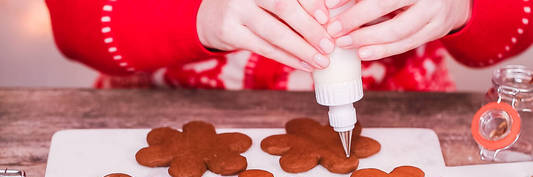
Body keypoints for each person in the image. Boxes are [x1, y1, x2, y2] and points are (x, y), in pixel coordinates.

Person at [45, 0, 532, 91]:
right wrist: (197, 18)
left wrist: (462, 9)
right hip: (166, 106)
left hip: (402, 109)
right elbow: (74, 23)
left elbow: (518, 20)